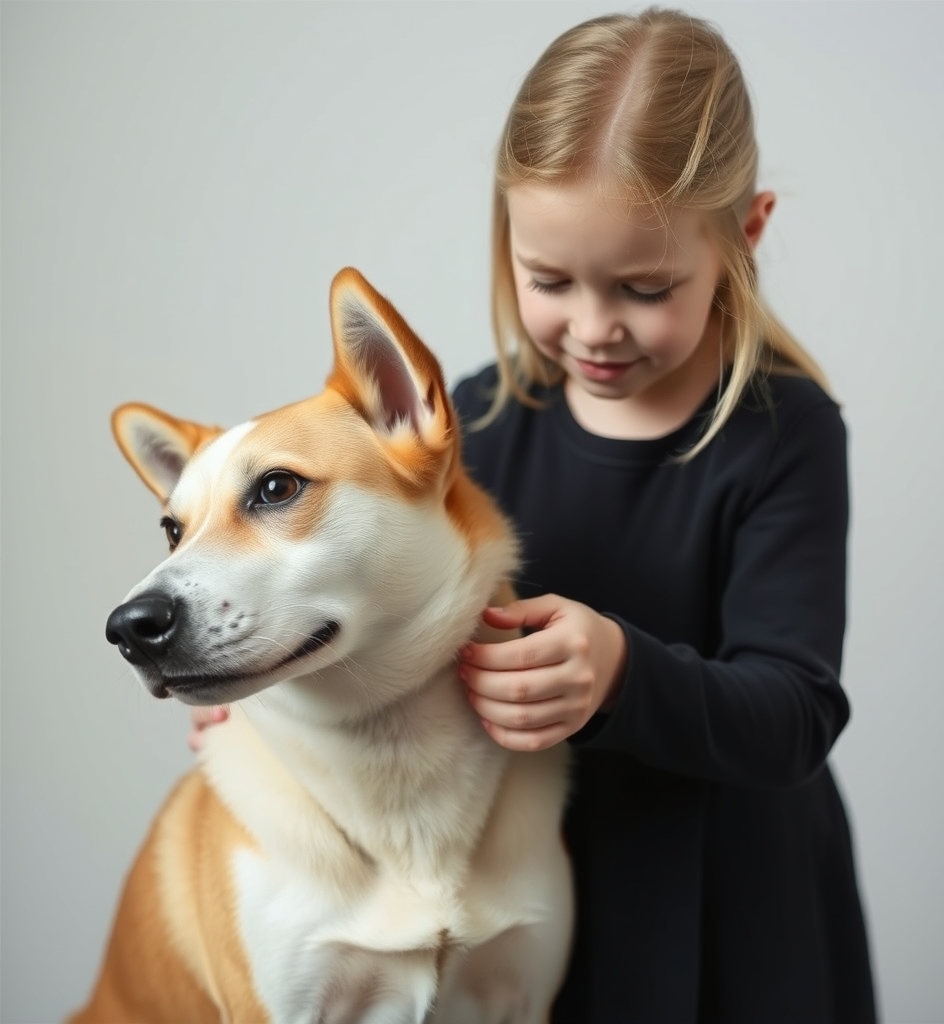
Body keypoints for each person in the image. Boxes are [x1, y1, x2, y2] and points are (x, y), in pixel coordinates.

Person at [192, 9, 876, 1021]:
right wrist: (266, 689)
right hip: (528, 877)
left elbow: (796, 714)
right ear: (506, 234)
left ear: (748, 233)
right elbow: (368, 609)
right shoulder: (468, 419)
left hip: (734, 900)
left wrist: (621, 672)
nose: (592, 327)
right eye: (548, 279)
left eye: (645, 288)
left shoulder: (786, 432)